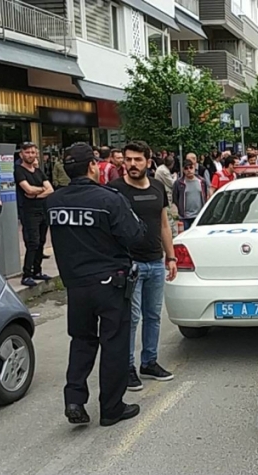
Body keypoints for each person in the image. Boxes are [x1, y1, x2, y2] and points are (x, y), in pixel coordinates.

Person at [46, 143, 146, 427]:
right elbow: (135, 236)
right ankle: (111, 408)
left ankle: (75, 399)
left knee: (81, 341)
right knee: (113, 343)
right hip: (110, 284)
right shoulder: (108, 199)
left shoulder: (53, 201)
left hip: (76, 286)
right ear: (92, 166)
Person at [110, 141, 178, 391]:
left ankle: (149, 362)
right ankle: (126, 367)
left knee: (153, 316)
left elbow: (164, 224)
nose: (132, 164)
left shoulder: (158, 187)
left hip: (155, 262)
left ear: (148, 162)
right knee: (131, 317)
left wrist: (170, 257)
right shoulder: (115, 190)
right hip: (129, 264)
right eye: (128, 159)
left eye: (138, 160)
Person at [15, 142, 54, 287]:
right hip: (29, 212)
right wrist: (39, 190)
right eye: (27, 152)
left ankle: (37, 270)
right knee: (33, 242)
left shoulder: (38, 171)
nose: (30, 155)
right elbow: (27, 189)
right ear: (21, 154)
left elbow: (50, 189)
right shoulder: (19, 171)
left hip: (42, 210)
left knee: (42, 241)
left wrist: (36, 194)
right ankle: (27, 274)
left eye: (33, 152)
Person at [172, 159, 208, 230]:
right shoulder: (179, 183)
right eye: (186, 168)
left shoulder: (202, 181)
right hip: (185, 217)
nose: (189, 170)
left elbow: (205, 195)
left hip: (199, 216)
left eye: (191, 167)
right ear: (183, 170)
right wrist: (180, 210)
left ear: (194, 168)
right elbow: (175, 198)